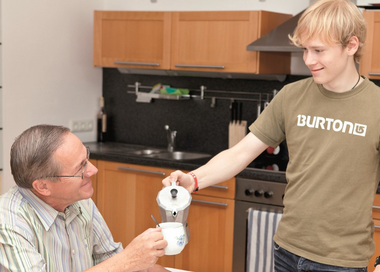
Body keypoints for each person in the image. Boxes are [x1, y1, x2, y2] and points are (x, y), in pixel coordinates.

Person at [163, 0, 380, 271]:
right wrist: (193, 179)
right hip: (286, 251)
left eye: (319, 50)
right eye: (305, 49)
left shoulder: (377, 106)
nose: (308, 60)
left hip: (341, 262)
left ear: (351, 46)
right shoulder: (291, 96)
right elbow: (241, 153)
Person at [0, 124, 169, 272]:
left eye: (86, 159)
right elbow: (119, 263)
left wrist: (142, 266)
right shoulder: (8, 222)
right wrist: (126, 261)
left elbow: (108, 257)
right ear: (43, 186)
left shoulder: (78, 199)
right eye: (80, 168)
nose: (93, 170)